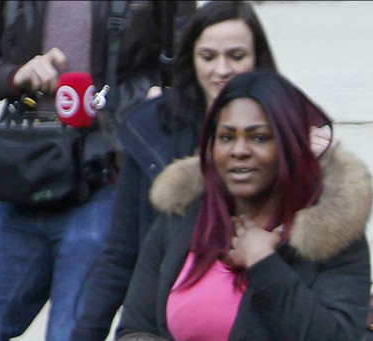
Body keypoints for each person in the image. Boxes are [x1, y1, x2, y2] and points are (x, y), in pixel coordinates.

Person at [0, 2, 195, 340]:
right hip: (27, 183)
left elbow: (189, 64)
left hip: (106, 180)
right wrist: (15, 76)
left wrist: (151, 104)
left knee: (72, 334)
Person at [70, 2, 280, 339]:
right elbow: (120, 254)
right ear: (191, 61)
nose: (221, 70)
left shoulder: (292, 132)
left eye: (236, 56)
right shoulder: (150, 130)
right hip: (164, 322)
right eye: (208, 57)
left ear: (258, 60)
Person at [116, 70, 373, 340]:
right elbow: (134, 330)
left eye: (259, 137)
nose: (239, 150)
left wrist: (265, 264)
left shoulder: (330, 235)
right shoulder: (181, 217)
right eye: (226, 137)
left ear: (289, 145)